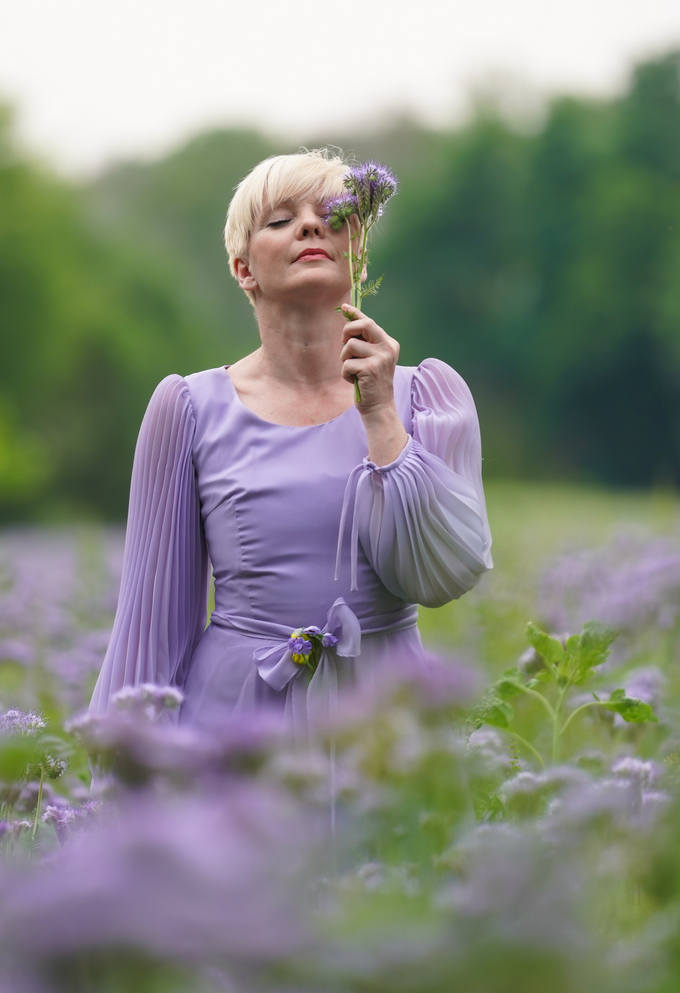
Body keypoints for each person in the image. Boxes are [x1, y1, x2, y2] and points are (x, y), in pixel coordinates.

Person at [88, 149, 493, 729]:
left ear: (358, 247)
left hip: (385, 718)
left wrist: (379, 411)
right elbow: (152, 623)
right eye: (279, 220)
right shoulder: (187, 410)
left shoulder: (427, 396)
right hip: (235, 720)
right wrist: (127, 772)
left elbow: (441, 574)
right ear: (243, 269)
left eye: (330, 214)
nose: (308, 225)